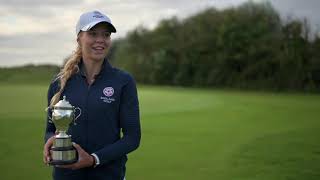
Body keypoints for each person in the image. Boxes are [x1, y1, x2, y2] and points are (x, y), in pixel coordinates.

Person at [43, 10, 141, 180]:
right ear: (79, 38)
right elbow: (50, 129)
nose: (100, 40)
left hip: (109, 175)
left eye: (106, 34)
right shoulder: (60, 83)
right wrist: (51, 141)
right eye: (93, 34)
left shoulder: (123, 81)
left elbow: (132, 138)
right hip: (66, 175)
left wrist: (93, 159)